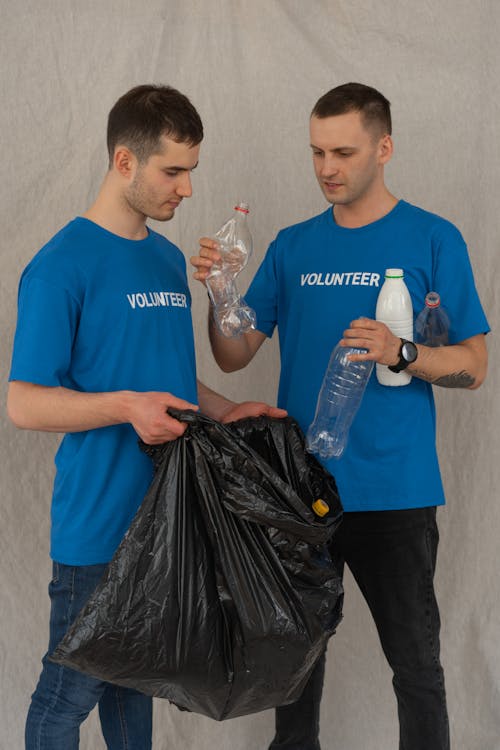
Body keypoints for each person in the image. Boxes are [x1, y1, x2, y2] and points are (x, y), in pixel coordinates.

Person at [190, 82, 489, 750]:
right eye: (318, 152)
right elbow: (235, 355)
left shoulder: (433, 238)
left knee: (416, 670)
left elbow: (473, 364)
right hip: (301, 492)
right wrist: (218, 298)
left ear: (383, 148)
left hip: (396, 493)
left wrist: (404, 351)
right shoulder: (295, 246)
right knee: (293, 670)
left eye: (344, 152)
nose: (328, 167)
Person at [7, 83, 286, 750]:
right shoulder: (59, 267)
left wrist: (226, 409)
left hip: (171, 521)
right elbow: (22, 401)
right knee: (67, 694)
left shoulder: (165, 261)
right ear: (125, 163)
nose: (187, 189)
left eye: (192, 169)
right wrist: (126, 409)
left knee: (137, 687)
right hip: (99, 527)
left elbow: (164, 374)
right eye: (173, 170)